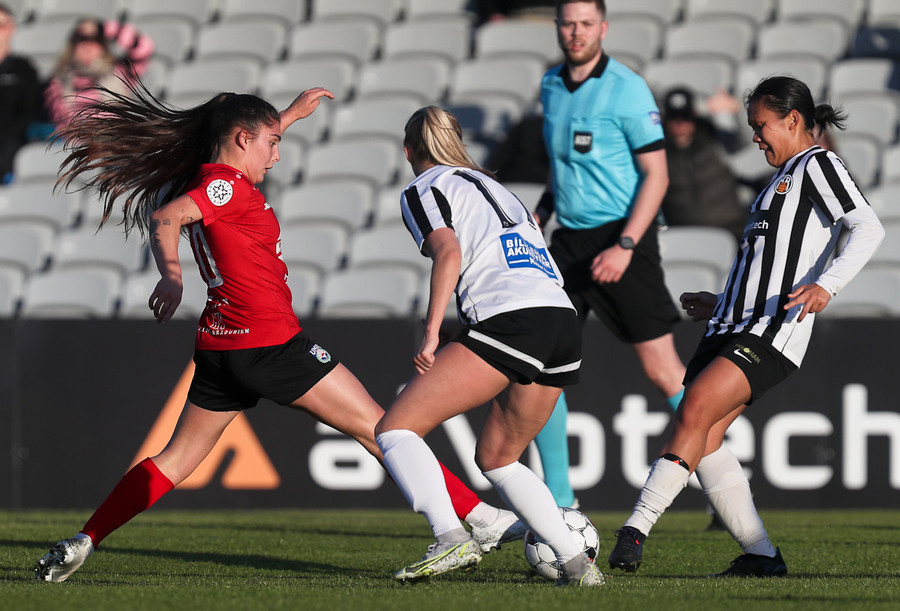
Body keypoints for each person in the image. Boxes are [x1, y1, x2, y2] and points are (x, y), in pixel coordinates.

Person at [33, 83, 524, 583]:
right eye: (272, 143)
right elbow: (167, 216)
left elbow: (233, 150)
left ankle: (84, 539)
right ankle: (480, 518)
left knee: (174, 461)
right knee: (384, 430)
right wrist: (172, 276)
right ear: (243, 139)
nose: (277, 155)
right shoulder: (225, 187)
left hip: (221, 347)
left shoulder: (215, 173)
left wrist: (287, 116)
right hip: (270, 343)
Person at [607, 75, 885, 577]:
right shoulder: (775, 182)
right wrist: (721, 300)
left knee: (694, 409)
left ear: (793, 120)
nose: (755, 137)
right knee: (706, 437)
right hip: (732, 322)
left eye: (761, 125)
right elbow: (766, 265)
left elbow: (867, 225)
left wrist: (828, 285)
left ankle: (634, 530)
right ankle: (761, 556)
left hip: (772, 330)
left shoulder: (817, 163)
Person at [373, 106, 603, 587]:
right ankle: (577, 565)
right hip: (561, 318)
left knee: (395, 430)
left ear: (408, 150)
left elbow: (448, 251)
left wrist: (432, 331)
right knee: (499, 456)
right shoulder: (498, 188)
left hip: (511, 318)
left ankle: (450, 537)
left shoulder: (424, 187)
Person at [531, 0, 689, 510]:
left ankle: (721, 483)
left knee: (663, 371)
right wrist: (544, 209)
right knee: (541, 366)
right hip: (569, 242)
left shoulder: (627, 88)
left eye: (585, 24)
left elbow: (657, 176)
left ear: (603, 28)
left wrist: (625, 245)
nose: (575, 33)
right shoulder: (551, 84)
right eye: (568, 23)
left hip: (624, 238)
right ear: (557, 27)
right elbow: (561, 163)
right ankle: (561, 505)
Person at [660, 86, 748, 242]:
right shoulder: (657, 151)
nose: (680, 124)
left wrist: (736, 112)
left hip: (728, 228)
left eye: (685, 117)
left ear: (694, 116)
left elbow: (749, 151)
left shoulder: (715, 137)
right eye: (674, 118)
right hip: (682, 235)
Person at [43, 16, 154, 128]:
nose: (88, 46)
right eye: (82, 39)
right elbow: (59, 122)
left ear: (103, 44)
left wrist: (103, 28)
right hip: (74, 135)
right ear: (72, 45)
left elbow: (144, 48)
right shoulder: (59, 80)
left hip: (111, 133)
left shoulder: (121, 72)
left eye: (96, 39)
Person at [0, 2, 40, 183]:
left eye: (0, 26)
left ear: (11, 29)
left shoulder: (23, 70)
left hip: (10, 145)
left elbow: (28, 114)